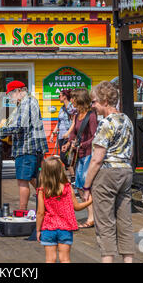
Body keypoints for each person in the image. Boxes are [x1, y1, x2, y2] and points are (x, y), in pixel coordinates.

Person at [82, 81, 135, 263]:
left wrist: (86, 186)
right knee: (125, 222)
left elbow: (97, 159)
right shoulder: (127, 120)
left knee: (105, 224)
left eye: (95, 102)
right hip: (126, 172)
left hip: (107, 174)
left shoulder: (105, 123)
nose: (93, 106)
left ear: (105, 101)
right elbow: (131, 152)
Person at [0, 80, 48, 210]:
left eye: (10, 95)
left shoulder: (26, 103)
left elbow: (19, 126)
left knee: (22, 180)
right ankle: (49, 205)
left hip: (27, 148)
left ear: (19, 91)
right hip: (31, 148)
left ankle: (22, 212)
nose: (10, 98)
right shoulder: (28, 102)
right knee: (33, 179)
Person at [36, 156, 93, 263]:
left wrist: (38, 230)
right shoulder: (67, 187)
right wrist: (90, 201)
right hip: (65, 228)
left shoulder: (42, 190)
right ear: (60, 171)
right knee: (65, 259)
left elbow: (40, 213)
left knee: (50, 259)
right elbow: (77, 207)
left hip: (48, 228)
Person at [61, 88, 97, 229]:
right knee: (80, 185)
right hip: (79, 155)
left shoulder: (91, 116)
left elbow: (95, 137)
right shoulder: (76, 115)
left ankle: (92, 217)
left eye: (73, 98)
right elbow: (73, 133)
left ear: (79, 99)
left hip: (89, 154)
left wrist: (82, 144)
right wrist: (69, 144)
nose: (71, 101)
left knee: (85, 185)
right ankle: (92, 216)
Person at [49, 89, 77, 176]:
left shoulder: (71, 108)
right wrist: (53, 133)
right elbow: (59, 122)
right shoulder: (62, 108)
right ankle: (73, 175)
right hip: (61, 136)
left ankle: (73, 175)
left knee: (64, 156)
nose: (59, 97)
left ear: (64, 96)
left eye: (60, 96)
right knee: (65, 157)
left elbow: (74, 122)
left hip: (68, 136)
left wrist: (68, 133)